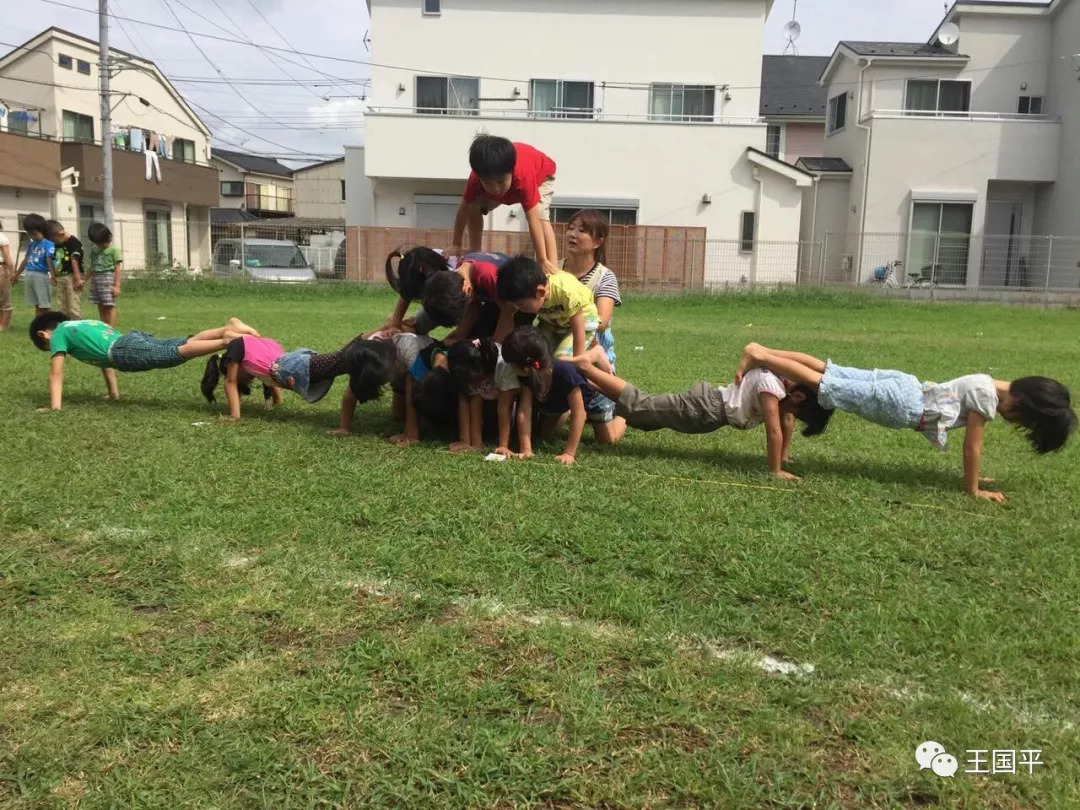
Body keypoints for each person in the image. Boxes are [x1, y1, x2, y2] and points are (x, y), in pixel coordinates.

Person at [736, 342, 1077, 501]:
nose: (1013, 422)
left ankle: (763, 350)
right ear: (1021, 403)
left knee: (830, 371)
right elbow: (972, 448)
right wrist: (974, 489)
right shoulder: (988, 398)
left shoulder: (990, 383)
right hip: (903, 405)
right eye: (1022, 421)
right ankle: (764, 358)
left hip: (905, 384)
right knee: (825, 384)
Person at [567, 345, 832, 481]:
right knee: (641, 405)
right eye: (800, 414)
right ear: (797, 397)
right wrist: (775, 470)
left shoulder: (778, 379)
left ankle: (589, 379)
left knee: (643, 415)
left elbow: (785, 421)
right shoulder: (771, 388)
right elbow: (774, 429)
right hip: (705, 409)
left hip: (707, 409)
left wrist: (784, 456)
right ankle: (590, 367)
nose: (793, 418)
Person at [28, 312, 260, 411]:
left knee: (176, 353)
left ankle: (226, 340)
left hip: (123, 350)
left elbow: (56, 373)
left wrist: (55, 407)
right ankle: (227, 327)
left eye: (47, 346)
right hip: (128, 341)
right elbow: (104, 363)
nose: (54, 348)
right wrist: (113, 394)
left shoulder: (58, 334)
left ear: (44, 334)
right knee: (179, 343)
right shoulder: (80, 324)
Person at [501, 327, 625, 465]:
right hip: (562, 400)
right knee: (545, 434)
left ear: (524, 367)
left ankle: (623, 415)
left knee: (608, 438)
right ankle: (566, 411)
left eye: (511, 364)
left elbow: (579, 413)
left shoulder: (565, 373)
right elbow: (524, 411)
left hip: (593, 396)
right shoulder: (527, 377)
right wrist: (526, 449)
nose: (509, 368)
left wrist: (569, 453)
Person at [201, 334, 396, 420]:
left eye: (243, 376)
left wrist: (234, 417)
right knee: (341, 360)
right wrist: (278, 400)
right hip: (292, 362)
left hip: (292, 366)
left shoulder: (235, 348)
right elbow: (268, 377)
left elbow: (231, 382)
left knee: (342, 360)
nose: (247, 379)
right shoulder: (255, 347)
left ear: (228, 364)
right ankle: (369, 339)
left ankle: (371, 338)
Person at [450, 135, 559, 274]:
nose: (495, 188)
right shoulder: (476, 179)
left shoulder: (523, 177)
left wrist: (542, 260)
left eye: (501, 181)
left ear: (511, 172)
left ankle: (552, 267)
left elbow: (533, 220)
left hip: (541, 177)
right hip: (509, 188)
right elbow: (463, 209)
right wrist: (456, 244)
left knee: (540, 215)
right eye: (488, 183)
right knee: (473, 205)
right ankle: (474, 249)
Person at [495, 256, 598, 358]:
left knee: (562, 359)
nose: (518, 308)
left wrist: (578, 359)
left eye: (520, 304)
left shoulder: (565, 292)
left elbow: (578, 328)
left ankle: (597, 354)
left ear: (541, 292)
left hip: (583, 322)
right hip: (555, 323)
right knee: (537, 353)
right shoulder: (532, 295)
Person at [563, 210, 622, 368]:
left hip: (594, 359)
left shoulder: (604, 277)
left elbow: (601, 321)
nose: (573, 234)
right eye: (571, 228)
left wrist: (562, 318)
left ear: (597, 242)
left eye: (582, 231)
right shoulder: (553, 270)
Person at [443, 337, 520, 453]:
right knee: (474, 396)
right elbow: (473, 398)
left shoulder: (504, 366)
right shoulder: (469, 361)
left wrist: (503, 445)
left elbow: (505, 407)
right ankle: (475, 441)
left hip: (510, 405)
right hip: (490, 397)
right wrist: (468, 441)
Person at [382, 247, 464, 334]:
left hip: (469, 305)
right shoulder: (415, 268)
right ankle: (393, 325)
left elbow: (470, 310)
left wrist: (458, 335)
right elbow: (405, 295)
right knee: (417, 329)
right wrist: (396, 324)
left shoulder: (457, 279)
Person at [13, 214, 55, 316]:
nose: (32, 236)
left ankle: (47, 324)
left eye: (35, 234)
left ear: (42, 231)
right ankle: (38, 324)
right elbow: (26, 259)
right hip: (29, 274)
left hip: (41, 275)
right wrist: (16, 274)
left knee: (44, 304)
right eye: (30, 234)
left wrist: (53, 276)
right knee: (36, 304)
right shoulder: (32, 244)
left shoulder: (48, 244)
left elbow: (49, 259)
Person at [86, 222, 123, 326]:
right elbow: (92, 266)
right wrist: (84, 279)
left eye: (104, 242)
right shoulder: (94, 250)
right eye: (99, 243)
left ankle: (111, 330)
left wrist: (117, 286)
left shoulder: (114, 250)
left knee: (109, 306)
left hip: (108, 279)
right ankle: (103, 327)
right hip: (96, 279)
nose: (103, 245)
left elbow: (117, 269)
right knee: (100, 305)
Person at [45, 220, 84, 319]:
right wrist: (53, 275)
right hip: (61, 277)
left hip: (72, 277)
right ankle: (65, 327)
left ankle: (77, 327)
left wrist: (77, 278)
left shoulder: (73, 242)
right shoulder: (58, 243)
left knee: (73, 305)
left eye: (54, 240)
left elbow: (74, 259)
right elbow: (52, 258)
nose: (54, 243)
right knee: (62, 306)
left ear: (59, 234)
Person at [0, 220, 14, 330]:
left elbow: (7, 257)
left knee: (5, 299)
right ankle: (2, 325)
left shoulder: (2, 238)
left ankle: (3, 326)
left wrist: (11, 272)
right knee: (4, 298)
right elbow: (7, 257)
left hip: (1, 268)